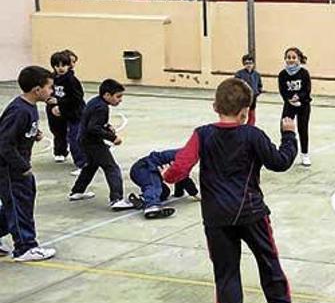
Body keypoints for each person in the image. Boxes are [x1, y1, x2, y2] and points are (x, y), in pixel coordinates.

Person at [163, 77, 299, 303]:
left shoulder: (201, 135)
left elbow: (181, 167)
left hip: (216, 218)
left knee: (226, 275)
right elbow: (280, 161)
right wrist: (289, 135)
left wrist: (167, 175)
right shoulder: (253, 134)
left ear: (214, 106)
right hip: (252, 212)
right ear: (246, 112)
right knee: (268, 259)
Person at [0, 66, 57, 261]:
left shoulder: (30, 107)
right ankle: (25, 247)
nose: (52, 91)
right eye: (49, 87)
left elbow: (20, 134)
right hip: (10, 169)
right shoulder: (19, 111)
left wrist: (34, 135)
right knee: (18, 204)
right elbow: (4, 143)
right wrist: (22, 167)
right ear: (37, 90)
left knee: (17, 203)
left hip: (19, 166)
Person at [68, 79, 135, 210]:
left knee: (91, 166)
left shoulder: (95, 102)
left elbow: (92, 121)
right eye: (118, 96)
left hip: (83, 140)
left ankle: (77, 191)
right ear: (107, 95)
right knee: (111, 167)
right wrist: (112, 137)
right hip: (92, 143)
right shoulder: (101, 107)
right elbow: (93, 128)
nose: (120, 100)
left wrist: (107, 126)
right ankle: (117, 199)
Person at [127, 148, 199, 219]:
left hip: (146, 170)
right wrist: (195, 193)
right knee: (154, 185)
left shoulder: (187, 157)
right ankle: (151, 207)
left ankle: (140, 200)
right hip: (143, 168)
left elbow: (181, 177)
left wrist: (179, 193)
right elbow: (183, 177)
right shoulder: (184, 156)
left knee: (164, 192)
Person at [278, 47, 312, 166]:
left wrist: (299, 97)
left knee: (303, 129)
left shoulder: (304, 73)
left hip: (303, 104)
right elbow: (282, 90)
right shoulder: (282, 74)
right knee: (284, 126)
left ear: (298, 59)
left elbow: (307, 89)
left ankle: (305, 154)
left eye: (293, 57)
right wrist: (289, 99)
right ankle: (286, 151)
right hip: (289, 104)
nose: (291, 60)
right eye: (288, 57)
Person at [235, 53, 262, 126]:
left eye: (250, 63)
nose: (249, 65)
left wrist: (258, 92)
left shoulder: (257, 74)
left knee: (252, 112)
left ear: (253, 64)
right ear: (244, 64)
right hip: (243, 97)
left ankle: (250, 125)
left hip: (253, 96)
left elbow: (259, 85)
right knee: (242, 111)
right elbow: (236, 85)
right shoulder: (239, 74)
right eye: (246, 63)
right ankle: (239, 124)